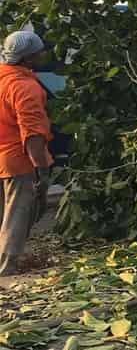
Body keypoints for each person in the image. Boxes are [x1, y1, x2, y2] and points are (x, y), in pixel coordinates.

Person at [0, 31, 53, 276]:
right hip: (17, 162)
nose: (44, 54)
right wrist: (41, 170)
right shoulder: (25, 87)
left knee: (5, 215)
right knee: (17, 217)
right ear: (29, 58)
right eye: (40, 51)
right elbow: (32, 135)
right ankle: (6, 269)